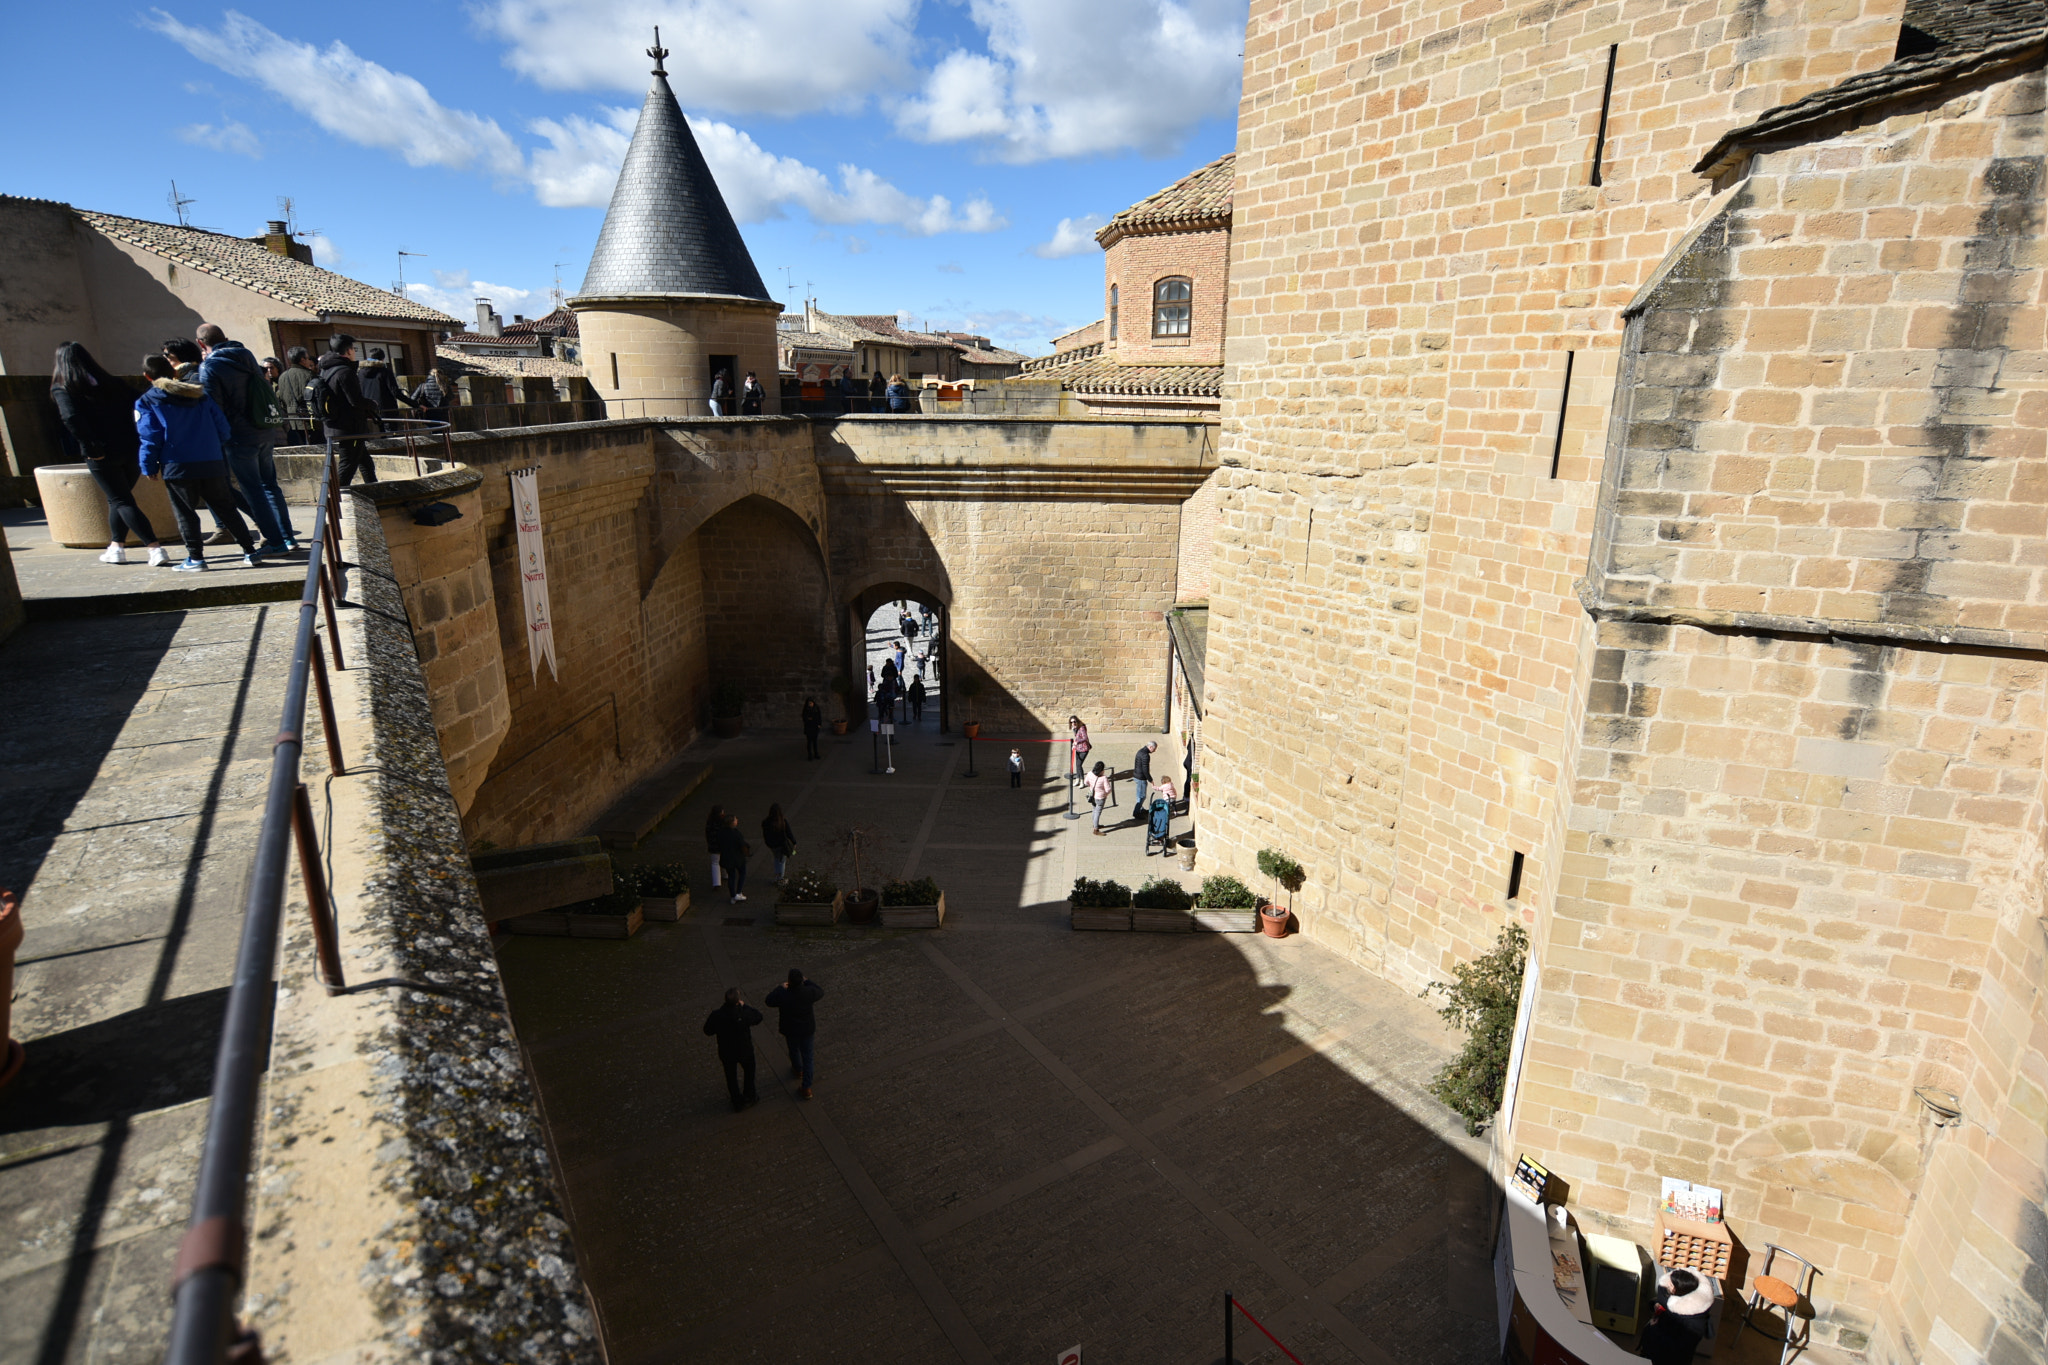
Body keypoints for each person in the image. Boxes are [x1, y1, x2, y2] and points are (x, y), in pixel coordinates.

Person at [134, 354, 261, 572]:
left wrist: (148, 465)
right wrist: (214, 446)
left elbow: (150, 435)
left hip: (177, 463)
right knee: (227, 507)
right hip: (211, 460)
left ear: (147, 376)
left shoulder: (147, 400)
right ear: (173, 372)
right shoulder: (199, 395)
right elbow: (222, 426)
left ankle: (196, 558)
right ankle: (250, 551)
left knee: (186, 513)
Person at [50, 343, 167, 567]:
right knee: (119, 498)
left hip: (102, 452)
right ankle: (116, 548)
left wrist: (91, 446)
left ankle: (155, 549)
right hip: (130, 447)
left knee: (122, 500)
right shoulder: (112, 383)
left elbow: (71, 417)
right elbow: (139, 402)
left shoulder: (63, 387)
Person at [195, 324, 292, 553]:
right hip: (264, 429)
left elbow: (212, 408)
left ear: (201, 344)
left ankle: (276, 542)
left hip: (238, 436)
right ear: (226, 338)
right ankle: (287, 537)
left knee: (253, 490)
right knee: (270, 486)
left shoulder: (209, 367)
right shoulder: (246, 356)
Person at [317, 336, 378, 486]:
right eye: (354, 349)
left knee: (365, 462)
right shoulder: (345, 372)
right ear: (349, 350)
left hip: (336, 426)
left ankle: (374, 487)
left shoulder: (326, 370)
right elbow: (355, 400)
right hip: (349, 428)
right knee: (347, 465)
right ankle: (334, 499)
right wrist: (373, 404)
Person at [1636, 1268, 1716, 1365]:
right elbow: (1662, 1302)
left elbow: (1679, 1347)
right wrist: (1656, 1305)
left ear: (1678, 1290)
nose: (1667, 1285)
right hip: (1652, 1352)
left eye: (1671, 1284)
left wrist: (1654, 1329)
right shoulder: (1675, 1299)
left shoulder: (1694, 1323)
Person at [764, 967, 823, 1099]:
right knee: (808, 1057)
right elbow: (820, 991)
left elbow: (768, 1001)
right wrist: (808, 981)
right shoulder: (808, 993)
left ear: (789, 981)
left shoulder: (783, 995)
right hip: (807, 1029)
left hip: (790, 1029)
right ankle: (806, 1087)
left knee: (793, 1050)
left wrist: (780, 987)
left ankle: (798, 1069)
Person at [701, 987, 763, 1112]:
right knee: (749, 1072)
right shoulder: (743, 1014)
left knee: (731, 1076)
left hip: (726, 1052)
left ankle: (736, 1101)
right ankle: (749, 1095)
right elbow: (758, 1016)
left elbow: (707, 1031)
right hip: (745, 1050)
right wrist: (744, 1006)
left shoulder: (717, 1015)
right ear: (737, 1000)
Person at [277, 347, 318, 445]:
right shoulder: (308, 375)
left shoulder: (282, 377)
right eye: (307, 358)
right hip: (309, 420)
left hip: (291, 420)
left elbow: (281, 399)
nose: (309, 361)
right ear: (302, 360)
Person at [357, 346, 404, 425]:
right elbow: (395, 392)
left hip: (369, 412)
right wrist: (415, 404)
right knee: (391, 435)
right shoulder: (385, 372)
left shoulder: (360, 373)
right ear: (382, 359)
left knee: (376, 436)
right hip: (387, 412)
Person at [761, 804, 796, 885]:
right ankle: (780, 878)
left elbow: (765, 834)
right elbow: (789, 833)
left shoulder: (766, 822)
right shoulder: (782, 822)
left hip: (772, 845)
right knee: (782, 861)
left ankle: (777, 876)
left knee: (777, 859)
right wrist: (794, 842)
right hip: (781, 845)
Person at [720, 812, 750, 903]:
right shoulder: (736, 833)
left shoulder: (721, 833)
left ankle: (732, 896)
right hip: (738, 858)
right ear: (732, 823)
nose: (737, 820)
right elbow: (742, 844)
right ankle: (739, 892)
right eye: (735, 819)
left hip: (727, 858)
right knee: (742, 873)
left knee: (731, 876)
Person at [1132, 741, 1158, 820]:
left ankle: (1140, 809)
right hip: (1141, 778)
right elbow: (1145, 770)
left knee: (1138, 795)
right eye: (1154, 749)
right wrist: (1150, 780)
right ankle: (1136, 812)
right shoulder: (1145, 755)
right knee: (1142, 796)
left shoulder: (1140, 751)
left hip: (1136, 776)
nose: (1155, 751)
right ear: (1150, 747)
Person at [1087, 760, 1113, 836]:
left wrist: (1091, 787)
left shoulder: (1089, 774)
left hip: (1092, 796)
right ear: (1102, 770)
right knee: (1097, 813)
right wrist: (1105, 794)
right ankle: (1096, 829)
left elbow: (1086, 782)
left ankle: (1095, 824)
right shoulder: (1104, 778)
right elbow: (1108, 789)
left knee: (1094, 810)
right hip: (1100, 798)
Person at [703, 804, 726, 890]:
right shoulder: (723, 822)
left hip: (713, 845)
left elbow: (707, 834)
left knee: (715, 863)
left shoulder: (710, 821)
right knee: (724, 860)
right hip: (723, 845)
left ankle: (716, 883)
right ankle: (725, 874)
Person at [1068, 715, 1091, 783]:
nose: (1073, 723)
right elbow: (1077, 736)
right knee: (1077, 765)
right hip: (1078, 748)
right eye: (1071, 722)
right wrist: (1074, 730)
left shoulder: (1082, 727)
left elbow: (1085, 738)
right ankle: (1077, 779)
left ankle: (1082, 781)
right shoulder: (1076, 728)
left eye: (1074, 721)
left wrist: (1077, 742)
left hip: (1084, 749)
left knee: (1079, 765)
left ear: (1077, 721)